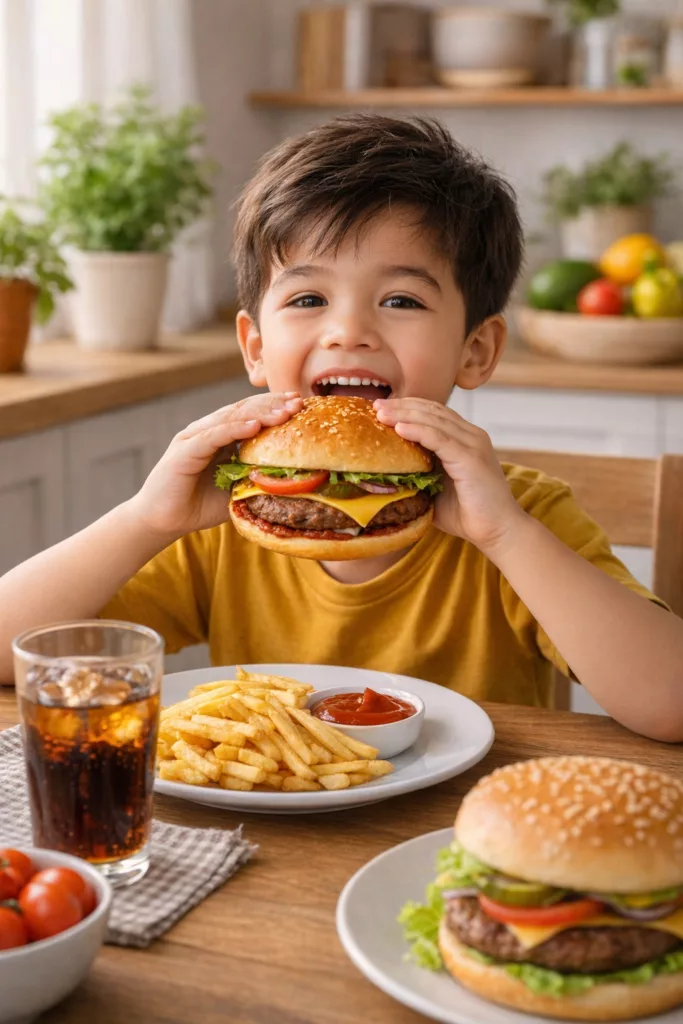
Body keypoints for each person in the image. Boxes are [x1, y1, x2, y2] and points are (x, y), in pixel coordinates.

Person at [1, 115, 681, 742]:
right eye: (307, 298)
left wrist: (506, 534)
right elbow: (11, 656)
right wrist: (144, 520)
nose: (348, 331)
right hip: (274, 829)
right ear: (255, 348)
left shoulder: (522, 514)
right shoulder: (219, 527)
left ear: (475, 351)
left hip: (452, 836)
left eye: (400, 299)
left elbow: (670, 703)